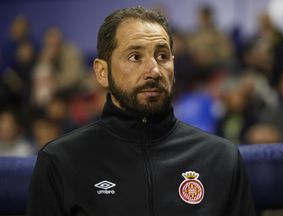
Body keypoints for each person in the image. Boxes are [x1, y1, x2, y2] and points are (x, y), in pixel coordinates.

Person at [27, 7, 256, 216]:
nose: (154, 70)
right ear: (102, 72)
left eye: (162, 56)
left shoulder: (222, 158)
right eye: (135, 57)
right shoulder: (60, 162)